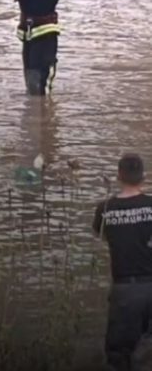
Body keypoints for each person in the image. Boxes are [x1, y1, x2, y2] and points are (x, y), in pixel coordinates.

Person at [93, 154, 152, 370]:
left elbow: (99, 235)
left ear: (119, 175)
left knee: (119, 356)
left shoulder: (105, 209)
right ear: (143, 177)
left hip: (125, 290)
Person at [0, 0, 76, 96]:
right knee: (30, 73)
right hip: (27, 33)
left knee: (45, 72)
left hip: (47, 30)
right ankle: (34, 108)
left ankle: (46, 108)